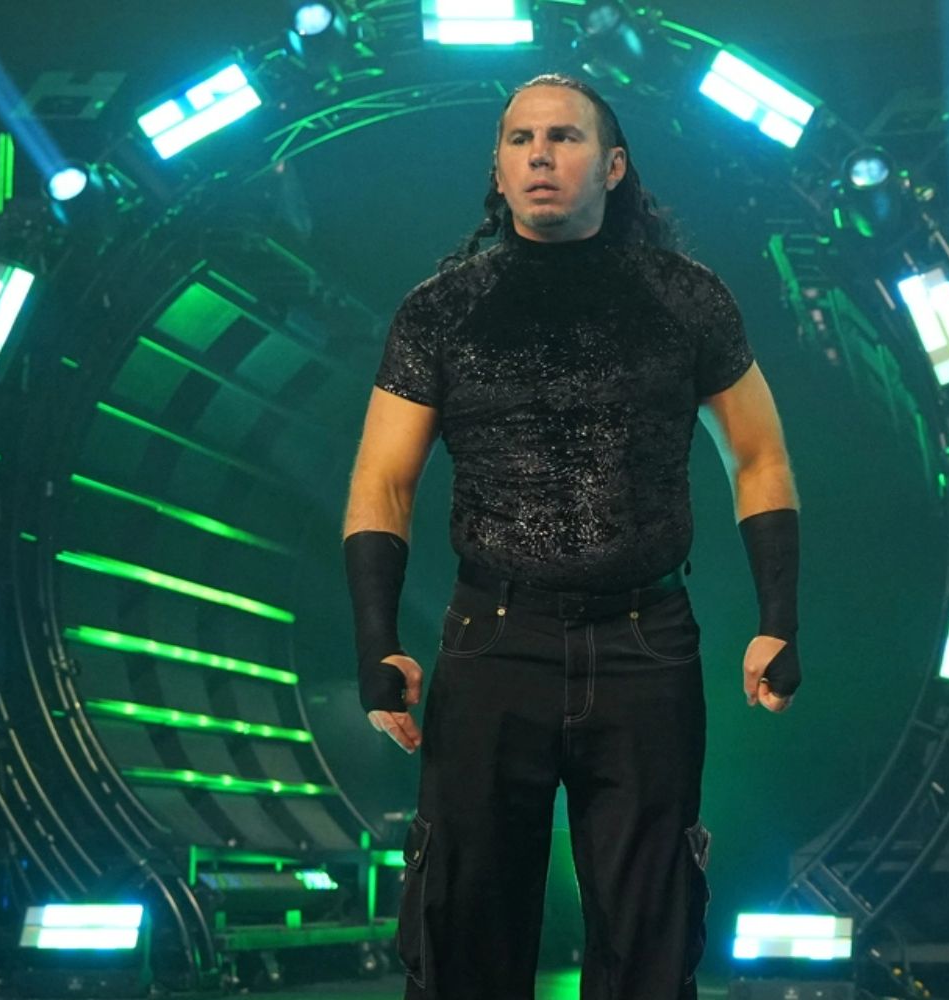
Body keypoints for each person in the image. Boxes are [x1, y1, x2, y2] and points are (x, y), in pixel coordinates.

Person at [342, 73, 801, 1000]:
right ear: (499, 170)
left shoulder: (688, 299)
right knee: (463, 928)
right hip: (495, 641)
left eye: (564, 137)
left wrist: (778, 617)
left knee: (651, 933)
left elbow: (760, 459)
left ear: (615, 165)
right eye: (520, 140)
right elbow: (382, 481)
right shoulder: (442, 309)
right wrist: (374, 642)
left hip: (645, 645)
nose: (541, 154)